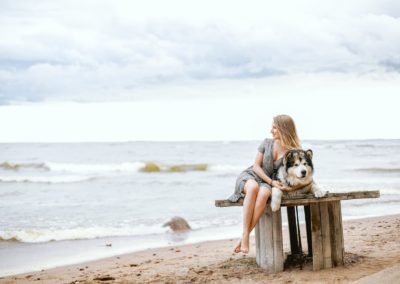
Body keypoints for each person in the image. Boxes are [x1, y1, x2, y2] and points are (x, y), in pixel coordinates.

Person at [228, 114, 303, 254]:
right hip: (251, 176)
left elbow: (298, 176)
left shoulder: (294, 153)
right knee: (253, 187)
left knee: (264, 193)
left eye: (274, 127)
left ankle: (243, 237)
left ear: (284, 129)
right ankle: (245, 236)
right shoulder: (267, 142)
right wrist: (271, 181)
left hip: (268, 183)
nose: (271, 130)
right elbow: (256, 166)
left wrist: (286, 186)